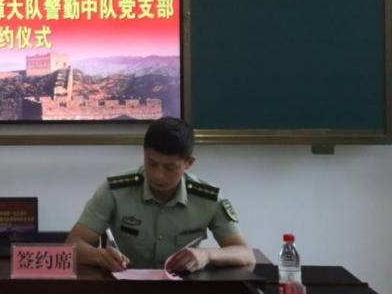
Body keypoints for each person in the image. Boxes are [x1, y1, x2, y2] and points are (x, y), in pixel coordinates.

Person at [66, 117, 254, 273]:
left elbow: (245, 253)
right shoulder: (115, 190)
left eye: (170, 167)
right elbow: (72, 246)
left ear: (189, 163)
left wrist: (207, 255)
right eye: (152, 163)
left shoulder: (207, 198)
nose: (158, 175)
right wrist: (100, 256)